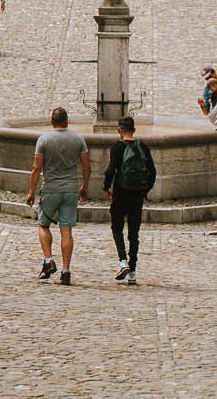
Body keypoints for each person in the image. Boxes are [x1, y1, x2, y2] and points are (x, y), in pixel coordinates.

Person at [25, 105, 89, 285]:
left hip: (51, 189)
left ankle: (48, 260)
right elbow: (86, 166)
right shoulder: (78, 139)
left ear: (51, 122)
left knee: (43, 225)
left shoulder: (43, 139)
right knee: (66, 230)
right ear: (67, 121)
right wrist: (84, 186)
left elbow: (36, 168)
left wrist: (31, 192)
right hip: (70, 190)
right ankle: (66, 271)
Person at [103, 113, 156, 283]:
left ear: (120, 130)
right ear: (134, 129)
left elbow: (111, 170)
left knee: (116, 228)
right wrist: (145, 190)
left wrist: (106, 187)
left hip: (120, 193)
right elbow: (152, 171)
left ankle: (122, 261)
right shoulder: (143, 147)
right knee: (134, 233)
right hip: (137, 194)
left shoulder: (117, 148)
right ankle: (133, 271)